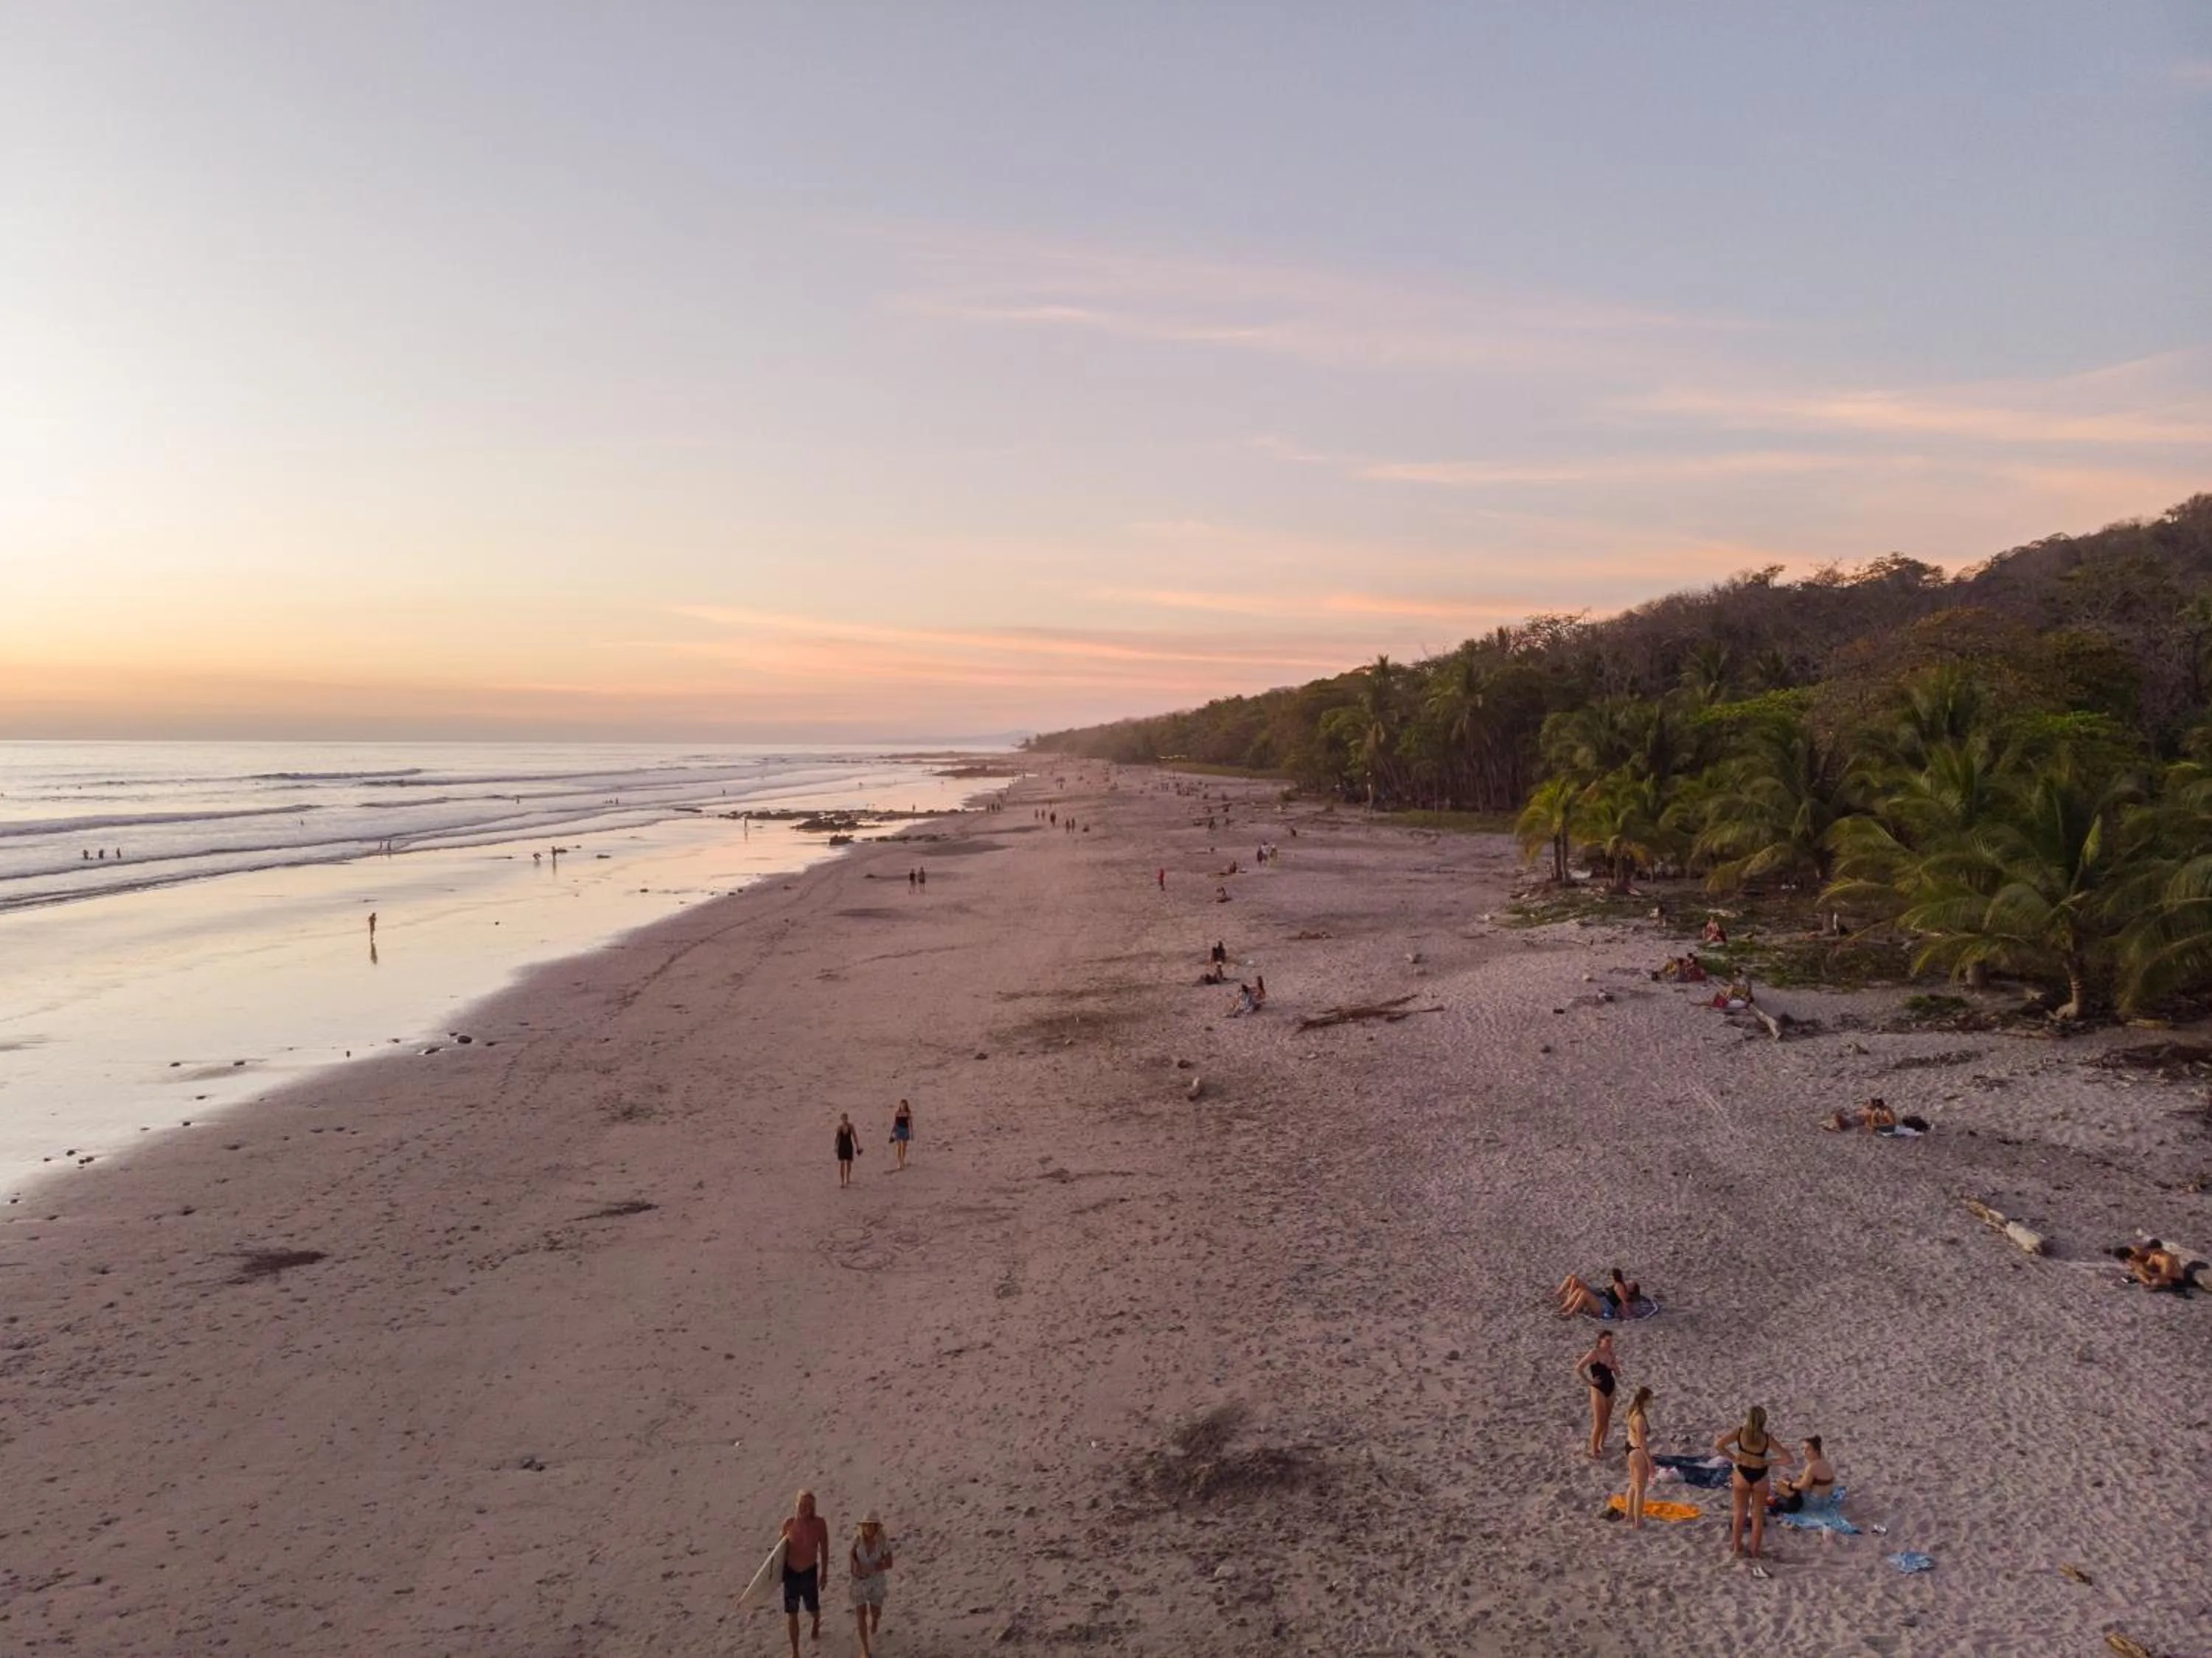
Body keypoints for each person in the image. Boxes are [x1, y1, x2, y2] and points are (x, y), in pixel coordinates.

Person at [1714, 1406, 1792, 1559]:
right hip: (1760, 1475)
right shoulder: (1766, 1438)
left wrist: (1734, 1458)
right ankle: (1755, 1550)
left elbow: (1719, 1445)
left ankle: (1737, 1548)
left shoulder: (1740, 1432)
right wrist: (1769, 1462)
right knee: (1757, 1516)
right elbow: (1788, 1459)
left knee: (1739, 1513)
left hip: (1742, 1473)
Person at [780, 1490, 831, 1657]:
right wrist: (777, 1576)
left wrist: (824, 1574)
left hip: (809, 1572)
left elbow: (824, 1550)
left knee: (812, 1608)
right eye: (802, 1504)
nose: (805, 1508)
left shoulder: (819, 1524)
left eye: (809, 1505)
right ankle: (795, 1652)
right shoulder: (788, 1523)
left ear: (813, 1507)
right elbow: (779, 1553)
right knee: (792, 1613)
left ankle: (816, 1620)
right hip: (791, 1574)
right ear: (797, 1505)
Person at [848, 1512, 894, 1656]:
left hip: (876, 1581)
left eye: (871, 1525)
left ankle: (875, 1620)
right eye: (866, 1525)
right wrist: (855, 1567)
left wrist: (874, 1568)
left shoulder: (883, 1542)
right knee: (860, 1614)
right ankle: (865, 1649)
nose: (868, 1528)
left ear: (876, 1527)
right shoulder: (857, 1540)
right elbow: (852, 1554)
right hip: (859, 1581)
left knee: (876, 1611)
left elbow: (889, 1563)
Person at [1576, 1331, 1618, 1458]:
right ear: (1600, 1341)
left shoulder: (1611, 1353)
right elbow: (1578, 1368)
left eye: (1611, 1341)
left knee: (1606, 1421)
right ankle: (1593, 1450)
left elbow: (1618, 1373)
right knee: (1599, 1422)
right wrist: (1589, 1381)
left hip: (1611, 1387)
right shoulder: (1593, 1354)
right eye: (1607, 1341)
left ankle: (1602, 1445)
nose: (1610, 1344)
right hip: (1598, 1389)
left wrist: (1614, 1367)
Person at [1770, 1435, 1834, 1513]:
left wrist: (1787, 1483)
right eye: (1803, 1449)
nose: (1804, 1452)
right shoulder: (1824, 1461)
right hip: (1827, 1500)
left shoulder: (1812, 1466)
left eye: (1808, 1450)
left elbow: (1802, 1486)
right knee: (1792, 1480)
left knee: (1781, 1485)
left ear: (1816, 1451)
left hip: (1815, 1504)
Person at [1624, 1386, 1655, 1530]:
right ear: (1645, 1400)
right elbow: (1642, 1443)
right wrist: (1650, 1462)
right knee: (1640, 1489)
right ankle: (1638, 1521)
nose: (1653, 1402)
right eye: (1651, 1399)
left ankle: (1629, 1515)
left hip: (1630, 1447)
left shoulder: (1633, 1412)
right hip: (1637, 1451)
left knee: (1633, 1484)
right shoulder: (1640, 1418)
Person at [835, 1114, 859, 1187]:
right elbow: (837, 1138)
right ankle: (842, 1182)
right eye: (843, 1119)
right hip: (841, 1147)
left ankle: (847, 1178)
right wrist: (836, 1147)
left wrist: (857, 1146)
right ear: (841, 1119)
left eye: (846, 1119)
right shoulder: (839, 1128)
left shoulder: (851, 1126)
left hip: (849, 1146)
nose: (844, 1120)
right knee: (842, 1164)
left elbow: (855, 1136)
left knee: (849, 1163)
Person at [892, 1099, 914, 1170]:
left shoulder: (908, 1113)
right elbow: (895, 1123)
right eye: (901, 1105)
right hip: (898, 1130)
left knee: (904, 1147)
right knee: (899, 1147)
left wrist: (912, 1133)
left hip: (905, 1130)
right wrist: (893, 1131)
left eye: (904, 1105)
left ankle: (903, 1160)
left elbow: (910, 1123)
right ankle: (899, 1161)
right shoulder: (897, 1113)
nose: (902, 1106)